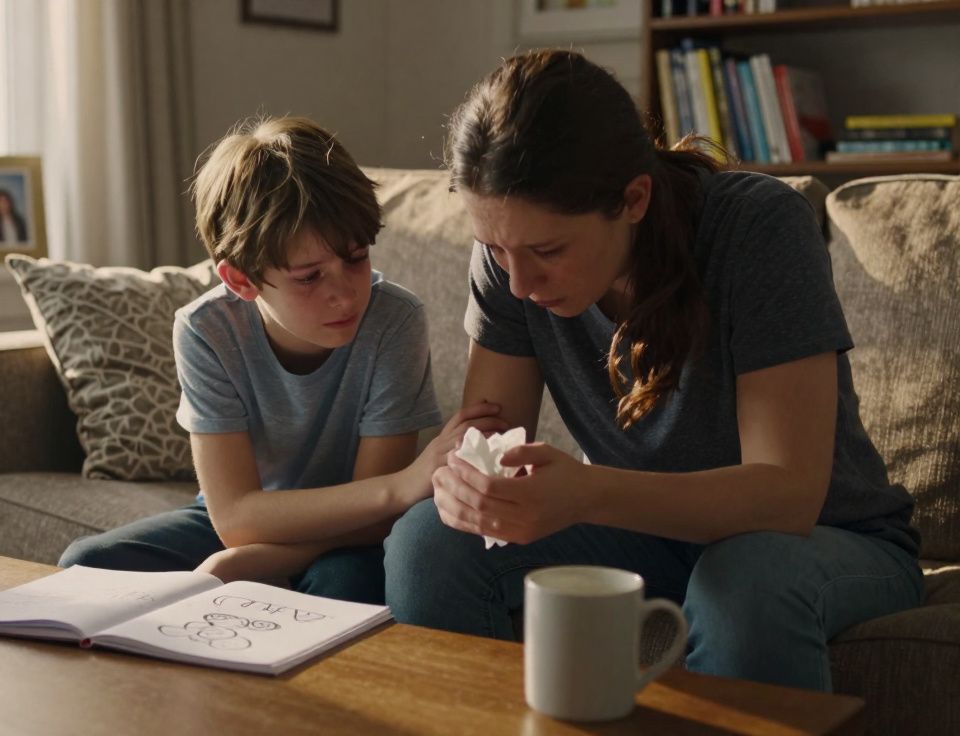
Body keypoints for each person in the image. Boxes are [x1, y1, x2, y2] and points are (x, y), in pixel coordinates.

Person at [382, 50, 922, 691]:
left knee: (743, 582)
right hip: (641, 533)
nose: (520, 282)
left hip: (822, 539)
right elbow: (488, 444)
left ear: (633, 198)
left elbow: (787, 497)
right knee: (428, 545)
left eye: (548, 250)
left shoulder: (756, 228)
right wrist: (469, 490)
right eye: (497, 249)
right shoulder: (508, 259)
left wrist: (587, 491)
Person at [58, 116, 504, 604]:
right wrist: (400, 486)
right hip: (252, 522)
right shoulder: (206, 330)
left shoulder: (393, 321)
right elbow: (235, 518)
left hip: (354, 534)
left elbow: (377, 517)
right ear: (241, 280)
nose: (345, 294)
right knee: (87, 567)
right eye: (310, 277)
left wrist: (260, 560)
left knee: (337, 587)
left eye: (356, 258)